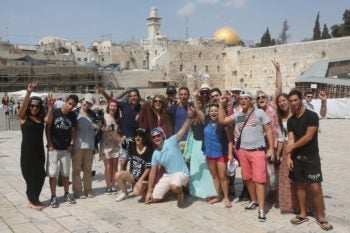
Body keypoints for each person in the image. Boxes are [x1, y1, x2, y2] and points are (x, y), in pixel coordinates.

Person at [219, 91, 274, 222]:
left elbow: (268, 130)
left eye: (246, 99)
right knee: (247, 178)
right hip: (243, 151)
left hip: (257, 151)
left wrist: (271, 148)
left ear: (251, 100)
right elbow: (222, 121)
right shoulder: (238, 115)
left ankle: (261, 209)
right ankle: (254, 200)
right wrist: (221, 105)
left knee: (260, 180)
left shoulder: (259, 113)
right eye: (241, 99)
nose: (243, 101)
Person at [286, 89, 333, 231]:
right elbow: (291, 138)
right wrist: (289, 156)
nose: (293, 103)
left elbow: (309, 136)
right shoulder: (290, 121)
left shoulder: (311, 116)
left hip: (312, 157)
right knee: (299, 186)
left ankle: (321, 216)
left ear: (300, 100)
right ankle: (302, 213)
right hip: (297, 158)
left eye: (295, 100)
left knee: (315, 187)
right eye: (291, 101)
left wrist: (291, 147)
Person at [145, 107, 195, 207]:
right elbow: (152, 173)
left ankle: (180, 193)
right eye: (154, 137)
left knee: (175, 186)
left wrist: (189, 117)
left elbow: (183, 128)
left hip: (182, 173)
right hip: (168, 175)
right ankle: (171, 191)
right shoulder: (155, 153)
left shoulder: (171, 141)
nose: (156, 138)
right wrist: (149, 191)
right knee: (155, 199)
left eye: (158, 135)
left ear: (162, 136)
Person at [18, 80, 53, 210]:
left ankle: (36, 198)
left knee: (40, 175)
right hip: (28, 153)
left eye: (37, 106)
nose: (34, 108)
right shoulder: (23, 118)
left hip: (39, 152)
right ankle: (31, 201)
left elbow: (48, 120)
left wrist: (50, 107)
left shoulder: (40, 119)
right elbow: (22, 109)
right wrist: (29, 92)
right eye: (32, 106)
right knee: (30, 176)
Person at [46, 94, 79, 208]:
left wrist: (72, 144)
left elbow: (74, 131)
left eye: (73, 106)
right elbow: (48, 128)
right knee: (53, 174)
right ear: (65, 101)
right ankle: (53, 196)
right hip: (54, 148)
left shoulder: (73, 115)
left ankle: (66, 193)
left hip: (66, 149)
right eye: (70, 104)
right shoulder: (55, 112)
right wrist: (49, 144)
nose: (71, 107)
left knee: (65, 173)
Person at [200, 101, 233, 208]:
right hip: (209, 154)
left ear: (219, 112)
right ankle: (218, 196)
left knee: (223, 177)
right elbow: (197, 110)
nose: (213, 113)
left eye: (216, 110)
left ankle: (226, 197)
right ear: (208, 112)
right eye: (211, 111)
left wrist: (230, 154)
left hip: (221, 154)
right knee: (214, 176)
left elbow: (230, 140)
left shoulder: (224, 124)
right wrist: (196, 98)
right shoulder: (206, 122)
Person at [183, 94, 216, 200]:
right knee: (195, 168)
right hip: (195, 145)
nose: (196, 105)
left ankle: (209, 191)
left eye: (199, 103)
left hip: (203, 144)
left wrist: (196, 108)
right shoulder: (192, 117)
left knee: (205, 169)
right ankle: (196, 190)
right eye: (194, 104)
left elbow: (204, 121)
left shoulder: (205, 116)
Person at [115, 128, 154, 202]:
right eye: (136, 135)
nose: (138, 137)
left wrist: (140, 180)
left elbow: (148, 168)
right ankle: (125, 193)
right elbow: (120, 139)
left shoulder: (149, 150)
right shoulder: (132, 145)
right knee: (118, 175)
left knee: (137, 192)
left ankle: (147, 189)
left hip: (144, 179)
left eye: (140, 135)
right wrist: (111, 131)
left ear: (144, 137)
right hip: (133, 176)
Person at [72, 94, 96, 199]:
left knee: (87, 169)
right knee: (76, 169)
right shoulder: (75, 113)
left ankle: (88, 189)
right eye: (86, 102)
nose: (87, 104)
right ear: (82, 101)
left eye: (90, 103)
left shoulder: (93, 115)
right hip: (78, 146)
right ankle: (77, 191)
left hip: (89, 146)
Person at [99, 98, 121, 194]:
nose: (113, 107)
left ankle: (113, 185)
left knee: (115, 166)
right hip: (106, 144)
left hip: (115, 144)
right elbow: (100, 128)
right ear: (108, 106)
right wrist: (104, 129)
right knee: (108, 167)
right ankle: (108, 186)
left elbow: (119, 132)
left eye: (115, 106)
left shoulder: (117, 118)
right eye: (111, 106)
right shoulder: (104, 117)